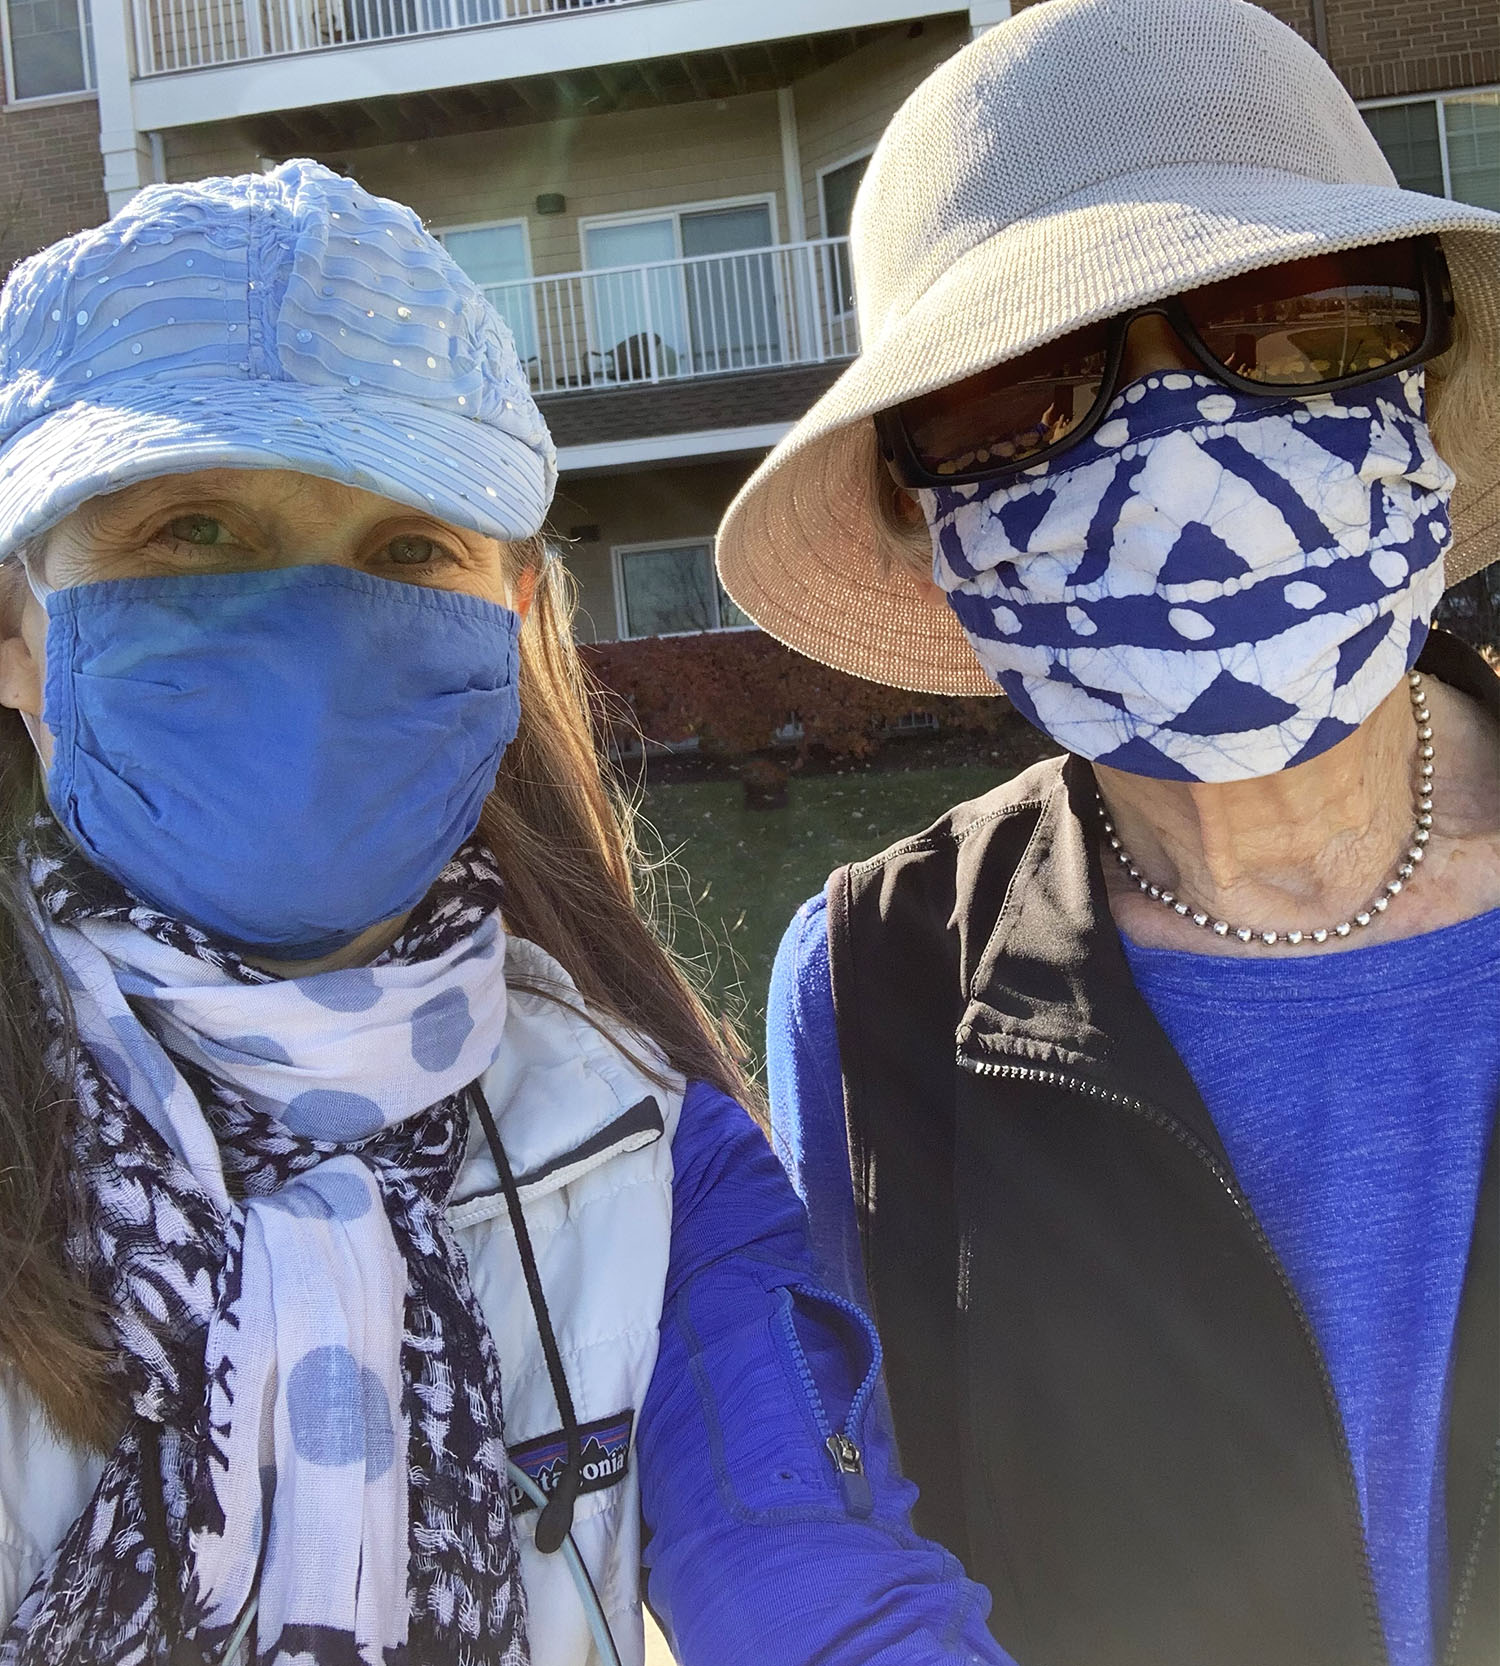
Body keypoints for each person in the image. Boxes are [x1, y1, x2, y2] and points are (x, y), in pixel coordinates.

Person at [0, 161, 1014, 1666]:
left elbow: (817, 1575)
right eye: (193, 529)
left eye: (409, 549)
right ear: (16, 627)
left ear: (509, 618)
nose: (311, 628)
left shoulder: (644, 1142)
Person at [715, 3, 1500, 1665]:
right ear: (927, 527)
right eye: (1019, 395)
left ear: (1427, 382)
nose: (1174, 442)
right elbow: (871, 1544)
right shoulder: (873, 991)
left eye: (1288, 320)